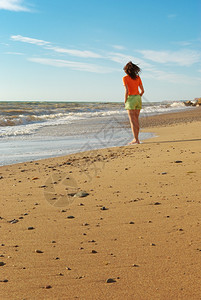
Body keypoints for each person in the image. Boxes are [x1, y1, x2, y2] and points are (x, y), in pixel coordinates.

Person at [123, 61, 144, 144]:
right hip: (138, 98)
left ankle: (136, 139)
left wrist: (125, 100)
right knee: (136, 119)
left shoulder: (125, 78)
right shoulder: (138, 78)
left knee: (132, 121)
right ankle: (137, 139)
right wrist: (138, 97)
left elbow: (127, 91)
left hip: (131, 99)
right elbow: (142, 91)